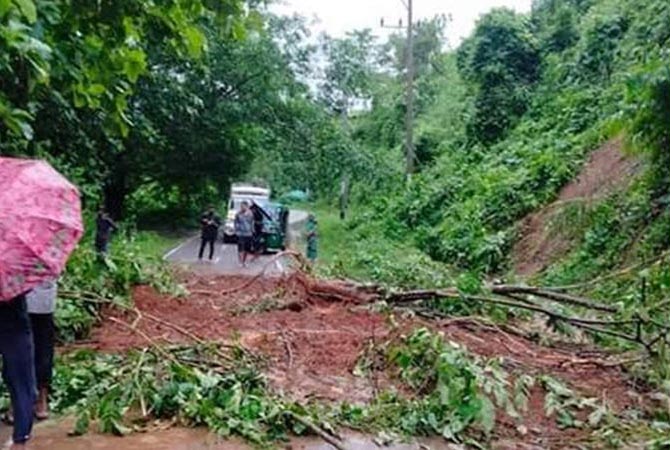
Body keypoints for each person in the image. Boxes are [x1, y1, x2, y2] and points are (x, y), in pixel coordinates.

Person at [0, 294, 36, 447]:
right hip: (13, 314)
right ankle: (20, 440)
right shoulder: (13, 272)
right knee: (22, 382)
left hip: (13, 319)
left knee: (21, 381)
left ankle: (20, 438)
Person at [26, 279, 57, 420]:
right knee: (15, 352)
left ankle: (41, 396)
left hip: (42, 298)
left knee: (43, 348)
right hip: (12, 295)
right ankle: (17, 400)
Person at [234, 201, 254, 267]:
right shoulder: (238, 214)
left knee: (247, 249)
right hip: (240, 233)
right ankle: (240, 262)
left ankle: (244, 261)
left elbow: (252, 223)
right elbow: (236, 222)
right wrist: (237, 230)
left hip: (248, 233)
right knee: (240, 248)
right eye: (241, 206)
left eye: (243, 206)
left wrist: (252, 231)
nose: (242, 207)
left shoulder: (250, 214)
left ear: (247, 206)